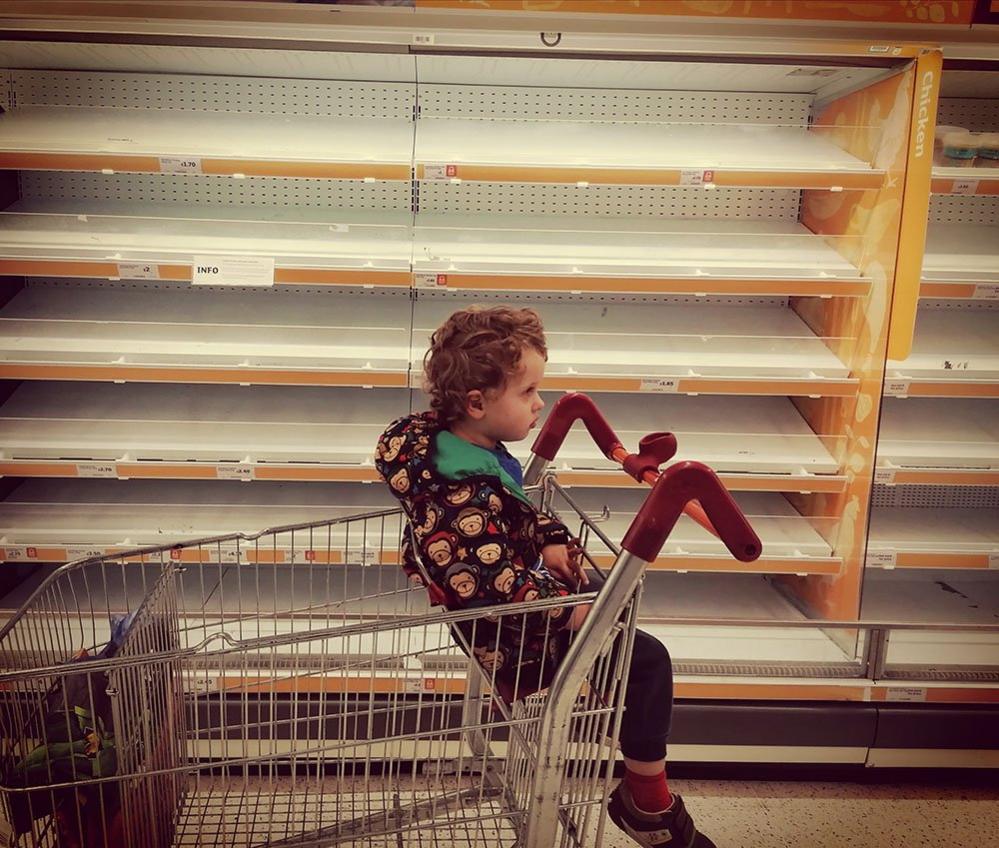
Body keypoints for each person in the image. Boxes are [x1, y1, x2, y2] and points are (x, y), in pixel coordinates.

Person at [374, 305, 715, 848]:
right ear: (478, 403)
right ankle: (646, 800)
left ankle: (618, 739)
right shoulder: (459, 495)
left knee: (615, 627)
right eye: (529, 391)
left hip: (521, 610)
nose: (541, 404)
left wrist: (550, 535)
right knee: (645, 661)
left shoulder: (457, 448)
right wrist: (569, 607)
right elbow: (485, 580)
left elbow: (511, 508)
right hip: (511, 636)